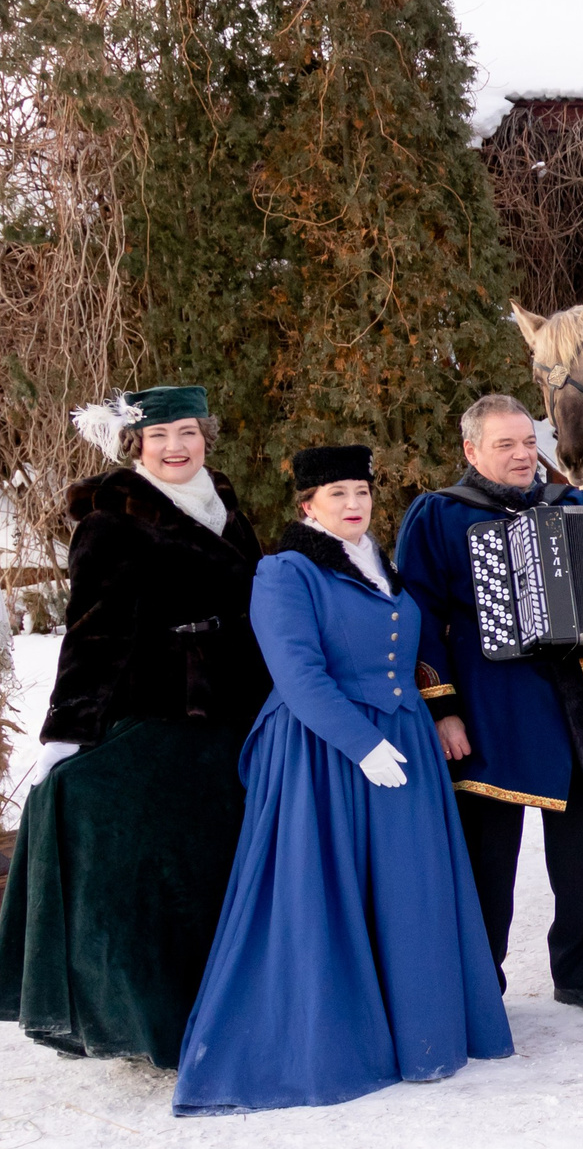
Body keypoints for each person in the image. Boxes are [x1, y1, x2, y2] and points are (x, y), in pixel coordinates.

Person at [172, 445, 511, 1113]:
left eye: (361, 492)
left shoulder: (379, 562)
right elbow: (298, 673)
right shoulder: (284, 571)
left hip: (403, 738)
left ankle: (420, 1032)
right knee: (325, 890)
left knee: (408, 887)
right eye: (338, 496)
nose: (354, 505)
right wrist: (361, 745)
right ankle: (329, 1040)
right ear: (308, 506)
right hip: (322, 753)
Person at [0, 386, 272, 1067]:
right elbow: (93, 634)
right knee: (157, 880)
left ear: (206, 438)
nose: (177, 447)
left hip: (237, 719)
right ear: (135, 444)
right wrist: (68, 734)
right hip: (159, 718)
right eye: (161, 436)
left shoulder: (223, 502)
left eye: (188, 433)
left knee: (220, 875)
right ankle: (154, 1025)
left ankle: (226, 1011)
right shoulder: (111, 522)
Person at [394, 394, 583, 1016]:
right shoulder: (437, 515)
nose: (522, 456)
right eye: (505, 446)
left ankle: (580, 974)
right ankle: (479, 981)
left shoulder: (572, 503)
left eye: (527, 443)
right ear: (471, 451)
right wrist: (442, 710)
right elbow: (418, 621)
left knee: (580, 851)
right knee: (490, 856)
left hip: (575, 707)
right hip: (493, 713)